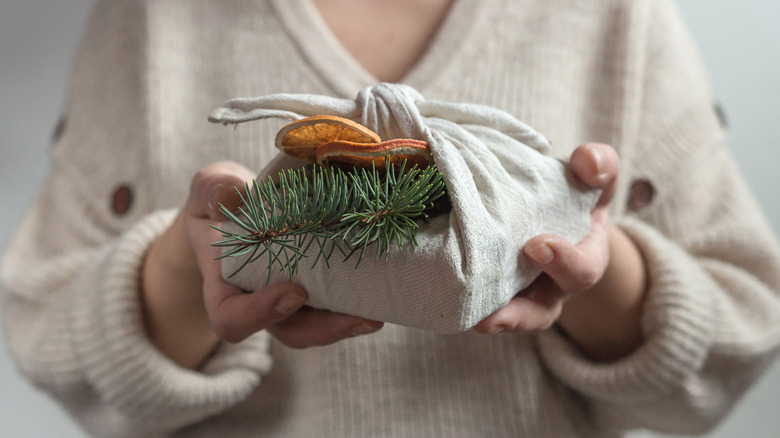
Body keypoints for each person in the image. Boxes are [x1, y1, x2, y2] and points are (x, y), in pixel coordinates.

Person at [2, 0, 779, 436]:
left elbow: (744, 328)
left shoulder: (616, 17)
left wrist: (593, 271)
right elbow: (41, 322)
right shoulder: (152, 19)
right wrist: (185, 265)